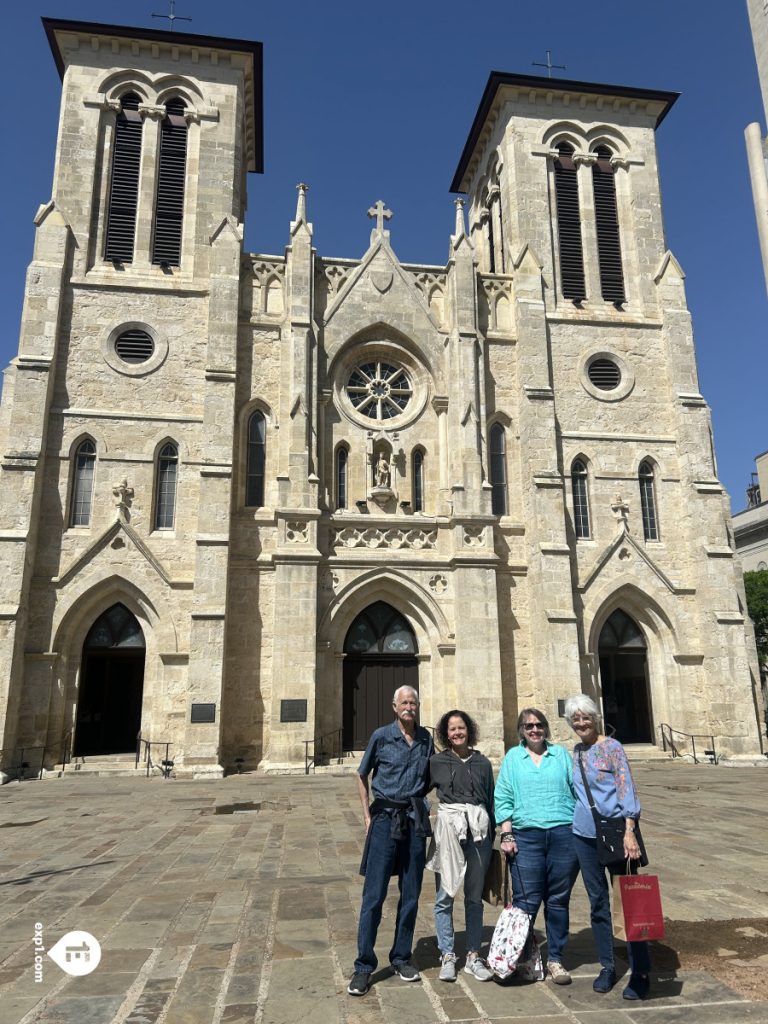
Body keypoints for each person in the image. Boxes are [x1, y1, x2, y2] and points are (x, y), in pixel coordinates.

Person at [347, 685, 434, 997]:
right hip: (384, 821)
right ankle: (363, 967)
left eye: (413, 702)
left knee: (411, 894)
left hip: (413, 822)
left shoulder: (426, 739)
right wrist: (367, 816)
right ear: (394, 707)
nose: (409, 707)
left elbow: (434, 775)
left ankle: (401, 957)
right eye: (404, 703)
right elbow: (360, 774)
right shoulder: (381, 736)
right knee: (374, 896)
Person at [564, 694, 650, 1000]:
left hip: (617, 833)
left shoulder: (612, 748)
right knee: (597, 902)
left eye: (586, 717)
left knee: (630, 903)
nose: (581, 723)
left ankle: (640, 971)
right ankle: (608, 965)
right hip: (584, 836)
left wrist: (630, 831)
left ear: (595, 717)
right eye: (575, 719)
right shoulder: (576, 752)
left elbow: (626, 788)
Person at [495, 708, 580, 985]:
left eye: (539, 724)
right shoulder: (513, 758)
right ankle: (523, 959)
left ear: (546, 727)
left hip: (563, 834)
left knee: (557, 900)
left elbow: (578, 791)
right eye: (528, 725)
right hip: (526, 836)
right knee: (526, 902)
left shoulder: (561, 756)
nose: (534, 729)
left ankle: (555, 959)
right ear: (521, 729)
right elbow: (504, 796)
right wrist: (506, 834)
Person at [426, 710, 495, 983]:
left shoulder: (483, 763)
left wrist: (498, 834)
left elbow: (490, 799)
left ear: (469, 731)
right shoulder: (436, 762)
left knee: (474, 898)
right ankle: (446, 954)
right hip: (448, 832)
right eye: (452, 729)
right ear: (445, 733)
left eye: (461, 728)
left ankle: (473, 956)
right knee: (444, 897)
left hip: (479, 833)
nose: (457, 733)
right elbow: (419, 790)